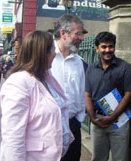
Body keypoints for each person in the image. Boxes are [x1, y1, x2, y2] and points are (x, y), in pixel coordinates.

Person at [0, 31, 74, 161]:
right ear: (41, 53)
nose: (55, 53)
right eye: (52, 49)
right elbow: (13, 137)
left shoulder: (45, 77)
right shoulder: (18, 82)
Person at [85, 31, 131, 161]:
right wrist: (92, 118)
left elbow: (129, 94)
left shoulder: (125, 67)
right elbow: (87, 95)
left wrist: (112, 117)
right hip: (97, 120)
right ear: (97, 48)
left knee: (121, 158)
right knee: (98, 158)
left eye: (111, 46)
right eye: (104, 47)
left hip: (119, 122)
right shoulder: (91, 69)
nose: (108, 50)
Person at [51, 14, 88, 161]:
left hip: (73, 125)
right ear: (63, 34)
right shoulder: (47, 56)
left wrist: (78, 119)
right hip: (50, 125)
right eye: (78, 33)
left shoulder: (79, 62)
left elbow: (81, 94)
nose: (82, 38)